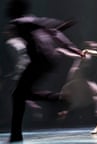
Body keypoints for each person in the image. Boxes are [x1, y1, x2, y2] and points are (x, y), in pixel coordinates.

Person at [4, 0, 83, 142]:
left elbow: (45, 25)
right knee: (22, 94)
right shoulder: (29, 20)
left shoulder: (19, 21)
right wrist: (71, 47)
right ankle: (58, 99)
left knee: (18, 95)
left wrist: (55, 24)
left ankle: (16, 135)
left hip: (40, 58)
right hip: (48, 58)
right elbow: (55, 32)